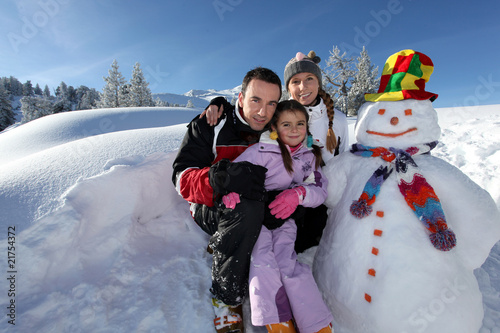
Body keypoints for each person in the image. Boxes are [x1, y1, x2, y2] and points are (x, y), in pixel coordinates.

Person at [202, 50, 349, 253]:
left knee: (307, 247)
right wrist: (218, 102)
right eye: (295, 82)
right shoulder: (278, 114)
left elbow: (343, 158)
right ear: (288, 88)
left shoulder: (338, 119)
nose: (303, 87)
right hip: (283, 192)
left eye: (309, 79)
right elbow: (254, 113)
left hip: (317, 193)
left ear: (319, 82)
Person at [172, 67, 282, 333]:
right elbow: (180, 179)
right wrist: (220, 179)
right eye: (255, 100)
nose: (262, 112)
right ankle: (225, 295)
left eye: (271, 103)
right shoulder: (211, 124)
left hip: (258, 202)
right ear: (240, 98)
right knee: (245, 209)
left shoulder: (277, 128)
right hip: (209, 206)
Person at [222, 100, 333, 333]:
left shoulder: (310, 156)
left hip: (284, 217)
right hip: (256, 218)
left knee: (286, 261)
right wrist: (230, 195)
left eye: (300, 123)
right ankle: (278, 320)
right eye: (287, 124)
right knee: (262, 259)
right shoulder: (260, 151)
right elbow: (234, 176)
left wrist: (299, 194)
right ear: (274, 128)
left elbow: (320, 190)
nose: (294, 130)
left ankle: (315, 322)